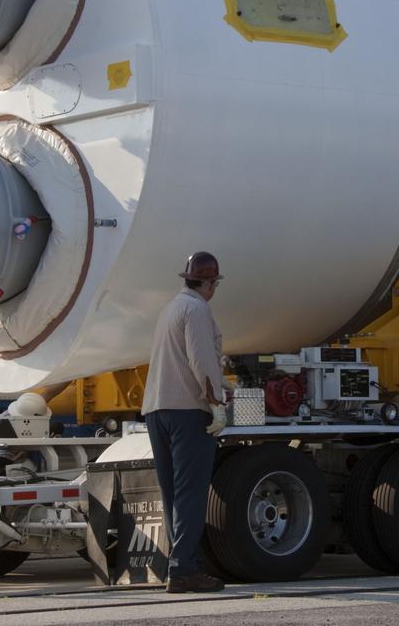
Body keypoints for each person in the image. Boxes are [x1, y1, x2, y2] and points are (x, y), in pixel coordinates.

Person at [141, 251, 228, 594]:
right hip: (187, 411)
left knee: (172, 493)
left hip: (157, 409)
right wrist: (216, 403)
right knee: (191, 492)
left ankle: (177, 566)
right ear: (208, 283)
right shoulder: (197, 309)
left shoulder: (171, 308)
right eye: (214, 284)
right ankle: (184, 569)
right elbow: (202, 360)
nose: (213, 290)